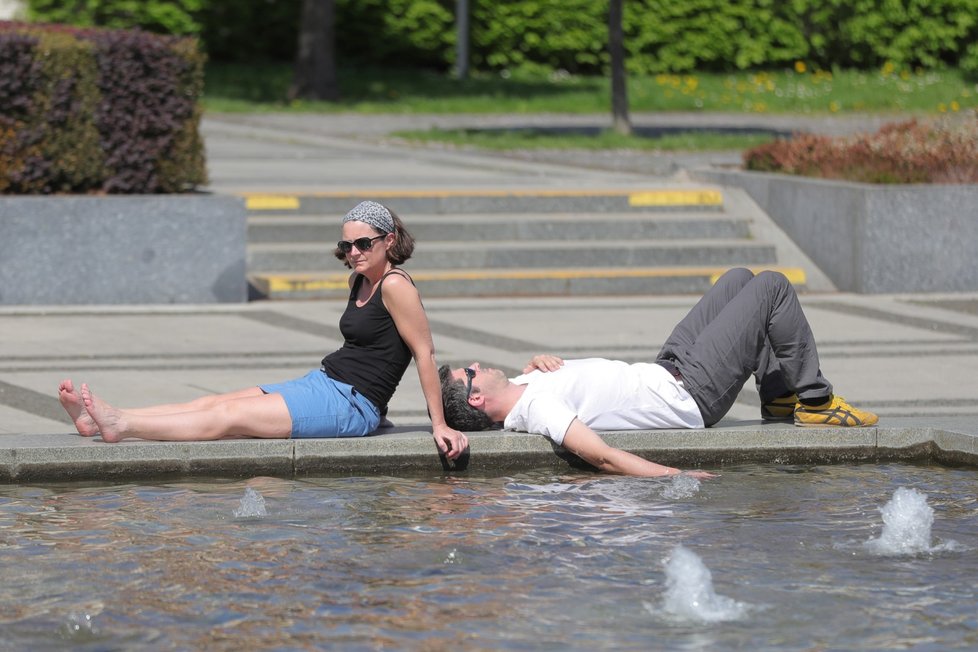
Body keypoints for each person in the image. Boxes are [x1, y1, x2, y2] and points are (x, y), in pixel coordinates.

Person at [58, 201, 468, 460]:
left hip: (351, 405)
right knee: (214, 401)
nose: (354, 253)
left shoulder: (396, 285)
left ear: (389, 240)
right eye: (347, 246)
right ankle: (101, 423)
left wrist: (438, 424)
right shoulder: (358, 280)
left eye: (363, 243)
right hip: (326, 383)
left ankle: (121, 425)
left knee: (229, 417)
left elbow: (423, 354)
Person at [439, 268, 878, 477]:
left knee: (739, 279)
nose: (477, 365)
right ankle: (816, 401)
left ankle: (778, 395)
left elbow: (554, 378)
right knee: (772, 287)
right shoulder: (538, 410)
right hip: (693, 394)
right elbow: (601, 455)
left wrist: (539, 361)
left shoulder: (525, 383)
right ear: (477, 399)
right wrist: (674, 476)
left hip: (667, 367)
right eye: (470, 373)